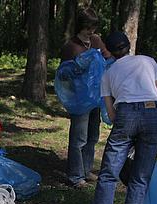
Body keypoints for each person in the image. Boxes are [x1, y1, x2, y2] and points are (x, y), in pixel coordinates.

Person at [85, 31, 157, 204]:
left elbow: (111, 116)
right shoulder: (149, 61)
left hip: (125, 116)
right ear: (129, 45)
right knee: (140, 178)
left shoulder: (108, 73)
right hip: (152, 116)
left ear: (110, 52)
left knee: (108, 176)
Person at [60, 8, 111, 188]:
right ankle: (75, 176)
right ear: (80, 26)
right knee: (79, 138)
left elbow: (107, 57)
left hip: (96, 96)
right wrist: (78, 67)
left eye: (93, 27)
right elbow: (64, 75)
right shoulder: (71, 46)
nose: (90, 32)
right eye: (87, 28)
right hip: (80, 99)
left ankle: (86, 169)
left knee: (92, 136)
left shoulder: (96, 41)